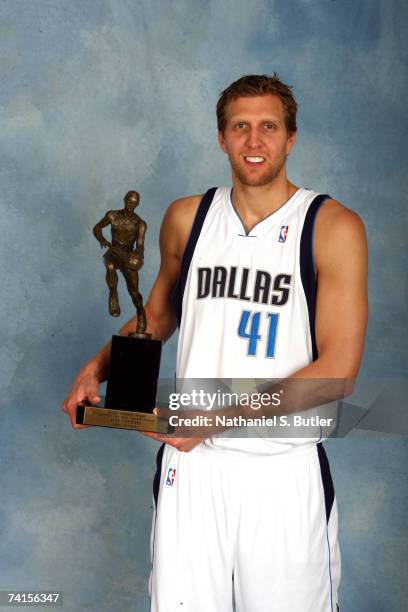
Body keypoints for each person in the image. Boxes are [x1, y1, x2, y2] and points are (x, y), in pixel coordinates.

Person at [62, 74, 368, 611]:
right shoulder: (189, 219)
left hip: (280, 466)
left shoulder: (330, 226)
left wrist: (218, 417)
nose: (255, 142)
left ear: (290, 138)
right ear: (221, 138)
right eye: (240, 127)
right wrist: (96, 369)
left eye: (268, 127)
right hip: (192, 466)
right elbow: (154, 315)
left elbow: (338, 371)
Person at [93, 190, 147, 331]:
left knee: (134, 291)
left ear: (138, 204)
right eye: (129, 201)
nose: (131, 205)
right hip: (113, 251)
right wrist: (102, 240)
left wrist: (138, 253)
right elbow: (97, 228)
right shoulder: (113, 215)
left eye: (134, 203)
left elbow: (140, 245)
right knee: (110, 267)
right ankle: (113, 295)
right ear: (124, 199)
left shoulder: (140, 224)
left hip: (128, 256)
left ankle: (141, 312)